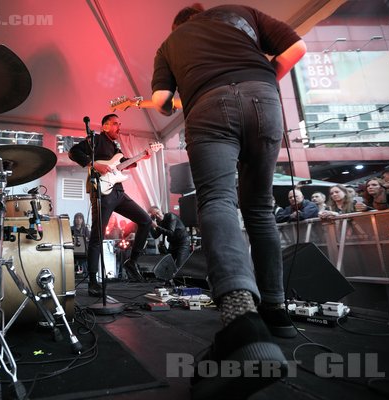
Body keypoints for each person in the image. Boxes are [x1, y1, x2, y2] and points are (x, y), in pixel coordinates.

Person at [151, 3, 306, 395]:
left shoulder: (169, 44)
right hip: (264, 99)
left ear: (179, 25)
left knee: (219, 202)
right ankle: (276, 313)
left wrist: (175, 98)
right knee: (260, 210)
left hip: (209, 108)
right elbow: (296, 49)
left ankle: (242, 321)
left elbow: (159, 101)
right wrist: (263, 79)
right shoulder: (242, 13)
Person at [68, 114, 153, 296]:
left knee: (145, 220)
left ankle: (132, 261)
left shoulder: (115, 147)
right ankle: (92, 281)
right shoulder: (96, 140)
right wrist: (94, 165)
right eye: (115, 124)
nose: (119, 127)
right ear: (105, 126)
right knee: (98, 236)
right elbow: (73, 151)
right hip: (102, 193)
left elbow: (121, 165)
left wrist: (140, 158)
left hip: (118, 192)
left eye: (119, 124)